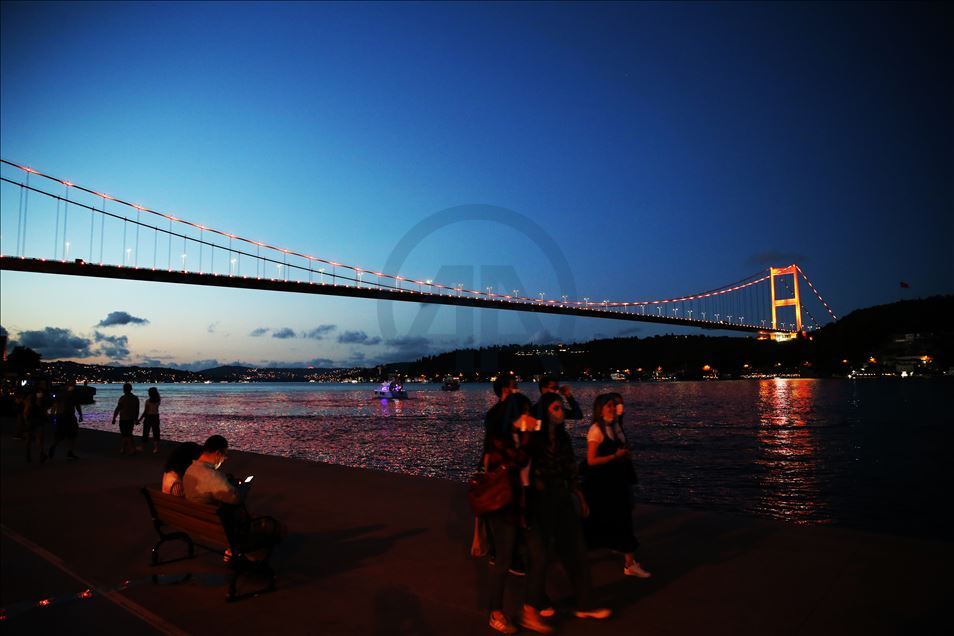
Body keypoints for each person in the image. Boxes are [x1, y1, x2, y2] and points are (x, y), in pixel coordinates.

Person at [524, 392, 612, 629]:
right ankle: (533, 606)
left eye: (560, 407)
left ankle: (585, 604)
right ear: (545, 412)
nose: (560, 411)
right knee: (541, 556)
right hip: (539, 501)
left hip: (561, 498)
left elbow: (571, 467)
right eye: (555, 408)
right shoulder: (533, 439)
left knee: (577, 551)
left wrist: (578, 494)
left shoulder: (563, 439)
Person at [481, 393, 545, 634]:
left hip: (526, 503)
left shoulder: (524, 436)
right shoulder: (501, 441)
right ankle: (495, 613)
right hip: (505, 507)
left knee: (539, 556)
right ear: (514, 415)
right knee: (504, 561)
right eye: (525, 412)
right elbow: (519, 460)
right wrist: (530, 433)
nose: (529, 416)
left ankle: (530, 610)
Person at [583, 394, 651, 578]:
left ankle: (617, 549)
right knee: (623, 519)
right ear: (600, 409)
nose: (613, 409)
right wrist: (615, 456)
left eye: (614, 406)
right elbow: (591, 460)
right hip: (607, 484)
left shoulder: (614, 426)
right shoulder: (596, 430)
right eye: (609, 406)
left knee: (616, 517)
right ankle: (629, 563)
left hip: (618, 479)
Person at [49, 380, 83, 460]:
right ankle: (57, 447)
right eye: (72, 384)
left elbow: (77, 405)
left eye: (74, 385)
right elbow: (55, 405)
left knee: (72, 434)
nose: (73, 386)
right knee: (64, 434)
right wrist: (53, 414)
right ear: (67, 385)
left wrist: (80, 415)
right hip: (64, 416)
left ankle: (68, 450)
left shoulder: (70, 394)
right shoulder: (64, 394)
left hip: (67, 416)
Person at [23, 384, 50, 463]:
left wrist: (47, 416)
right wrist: (26, 421)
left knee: (40, 438)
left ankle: (41, 454)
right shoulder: (31, 400)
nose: (40, 393)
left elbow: (44, 411)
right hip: (31, 421)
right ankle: (28, 455)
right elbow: (26, 412)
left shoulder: (43, 401)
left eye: (41, 392)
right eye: (39, 392)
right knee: (29, 439)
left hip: (39, 421)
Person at [112, 383, 140, 455]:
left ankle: (131, 449)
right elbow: (137, 410)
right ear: (131, 389)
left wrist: (114, 418)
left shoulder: (122, 398)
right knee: (128, 434)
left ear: (124, 389)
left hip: (124, 419)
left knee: (125, 435)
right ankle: (125, 449)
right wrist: (136, 419)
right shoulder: (135, 398)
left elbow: (118, 408)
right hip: (131, 419)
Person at [139, 387, 162, 454]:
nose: (148, 393)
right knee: (156, 432)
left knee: (146, 432)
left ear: (150, 393)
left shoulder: (148, 401)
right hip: (156, 417)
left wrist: (140, 419)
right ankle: (156, 448)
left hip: (149, 417)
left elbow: (145, 411)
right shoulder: (158, 400)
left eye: (148, 392)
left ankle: (142, 447)